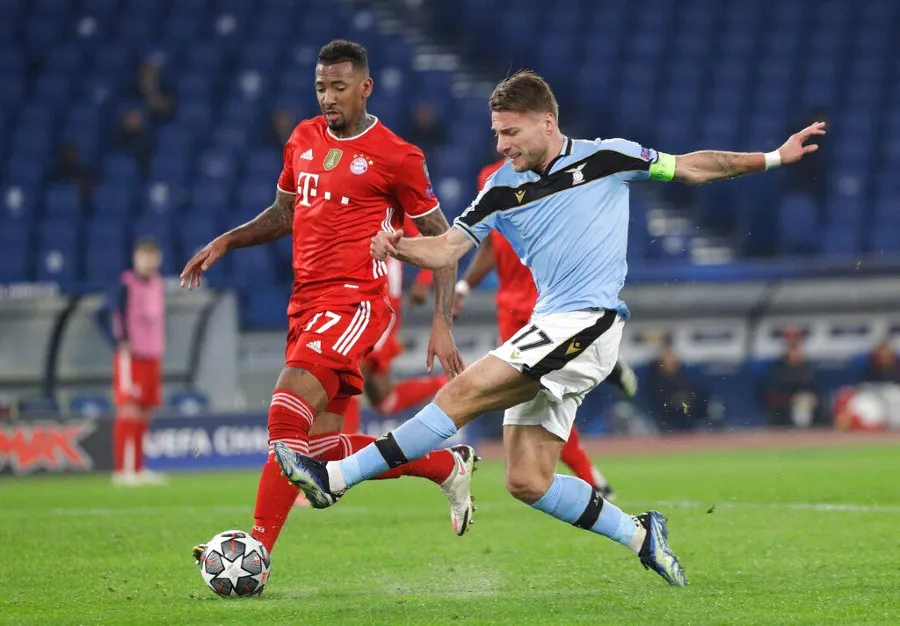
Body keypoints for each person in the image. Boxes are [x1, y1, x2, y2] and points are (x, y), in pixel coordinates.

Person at [277, 70, 826, 586]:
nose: (501, 145)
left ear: (546, 121)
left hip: (589, 323)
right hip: (550, 327)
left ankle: (334, 477)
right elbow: (446, 247)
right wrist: (399, 246)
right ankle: (641, 534)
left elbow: (692, 167)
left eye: (510, 132)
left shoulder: (609, 157)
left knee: (462, 394)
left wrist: (774, 157)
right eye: (496, 133)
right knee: (527, 479)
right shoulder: (500, 188)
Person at [180, 40, 471, 556]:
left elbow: (444, 242)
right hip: (305, 304)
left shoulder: (398, 156)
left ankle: (255, 552)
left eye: (339, 87)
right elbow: (284, 214)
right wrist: (227, 240)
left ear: (365, 87)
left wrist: (442, 321)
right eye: (321, 87)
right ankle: (444, 465)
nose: (328, 97)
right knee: (322, 451)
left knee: (285, 410)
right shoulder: (303, 138)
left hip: (356, 303)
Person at [452, 158, 635, 498]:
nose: (508, 142)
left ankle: (593, 480)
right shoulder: (490, 176)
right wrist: (463, 287)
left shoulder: (564, 171)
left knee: (546, 394)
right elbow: (491, 241)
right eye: (503, 134)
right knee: (534, 398)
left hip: (551, 307)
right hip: (510, 309)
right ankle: (593, 478)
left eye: (513, 133)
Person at [96, 238, 166, 486]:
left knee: (145, 412)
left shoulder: (158, 283)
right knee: (129, 409)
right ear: (135, 258)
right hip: (131, 357)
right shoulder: (125, 284)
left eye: (152, 256)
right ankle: (123, 470)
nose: (148, 261)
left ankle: (138, 468)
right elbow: (101, 313)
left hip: (152, 355)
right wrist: (118, 340)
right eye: (144, 256)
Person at [759, 333, 818, 428]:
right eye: (792, 350)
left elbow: (810, 386)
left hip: (802, 401)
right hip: (783, 402)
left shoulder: (806, 366)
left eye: (797, 350)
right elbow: (776, 386)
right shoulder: (779, 366)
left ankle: (803, 430)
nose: (795, 353)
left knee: (805, 401)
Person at [645, 343, 707, 433]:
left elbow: (696, 397)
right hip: (663, 419)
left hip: (687, 419)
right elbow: (655, 402)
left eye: (673, 358)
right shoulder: (653, 379)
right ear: (661, 361)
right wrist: (673, 401)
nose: (671, 361)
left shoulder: (684, 377)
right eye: (668, 358)